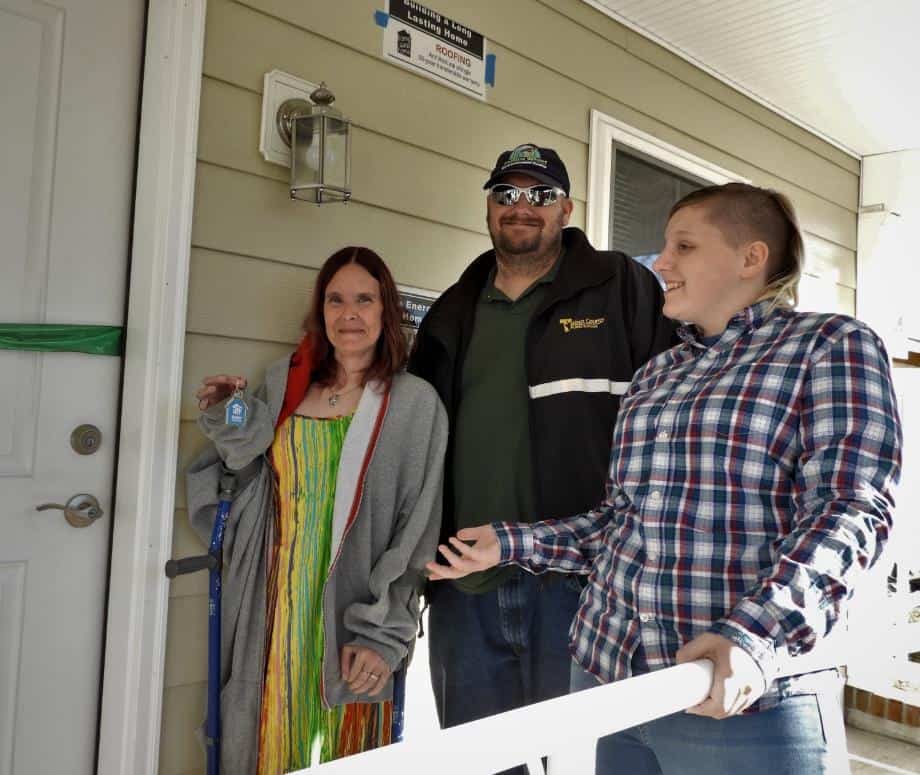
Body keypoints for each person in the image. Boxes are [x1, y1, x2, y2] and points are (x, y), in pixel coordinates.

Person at [427, 182, 902, 774]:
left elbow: (851, 511)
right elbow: (620, 523)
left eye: (685, 247)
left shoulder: (829, 346)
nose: (663, 264)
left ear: (750, 258)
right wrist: (510, 543)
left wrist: (757, 638)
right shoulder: (657, 375)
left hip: (739, 701)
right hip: (617, 688)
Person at [408, 143, 675, 768]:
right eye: (506, 194)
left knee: (583, 759)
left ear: (566, 209)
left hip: (583, 585)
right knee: (480, 762)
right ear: (489, 208)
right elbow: (407, 421)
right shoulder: (454, 309)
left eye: (539, 195)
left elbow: (679, 406)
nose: (520, 207)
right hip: (465, 585)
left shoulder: (620, 287)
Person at [186, 246, 448, 775]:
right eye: (336, 299)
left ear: (385, 310)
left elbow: (416, 534)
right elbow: (248, 472)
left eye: (364, 299)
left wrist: (383, 635)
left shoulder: (415, 404)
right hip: (272, 606)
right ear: (320, 309)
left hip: (350, 615)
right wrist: (228, 414)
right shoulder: (287, 382)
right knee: (263, 740)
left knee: (341, 750)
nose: (348, 313)